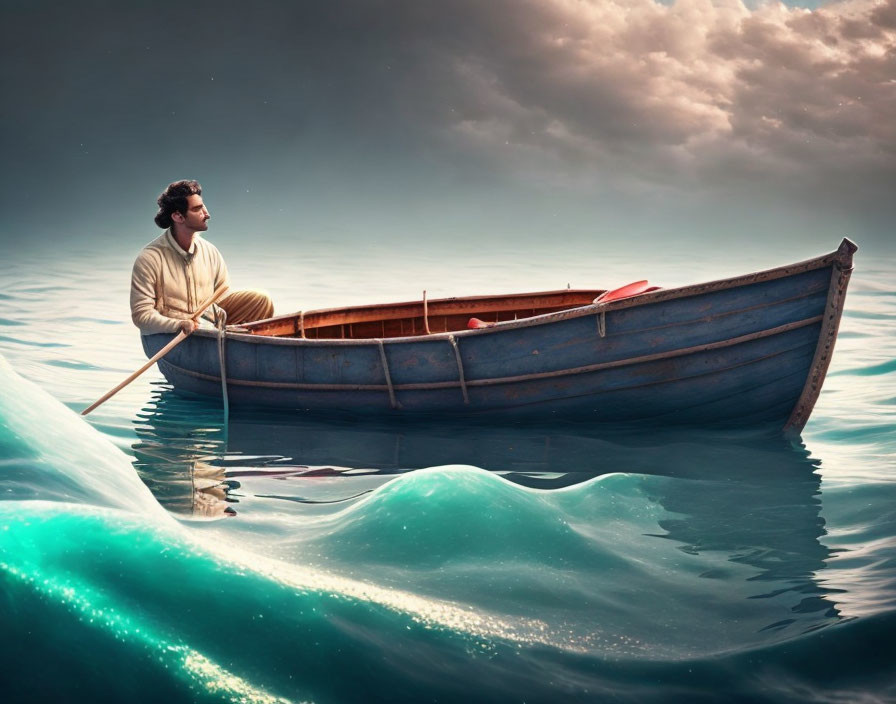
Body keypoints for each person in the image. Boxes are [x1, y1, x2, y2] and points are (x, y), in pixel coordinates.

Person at [130, 180, 274, 335]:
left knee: (262, 299)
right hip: (169, 333)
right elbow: (141, 315)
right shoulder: (150, 258)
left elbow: (221, 297)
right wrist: (177, 324)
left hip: (205, 327)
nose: (207, 214)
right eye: (197, 209)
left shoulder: (210, 252)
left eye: (203, 206)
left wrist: (214, 321)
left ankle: (236, 346)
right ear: (178, 216)